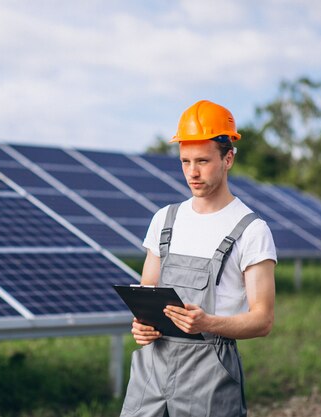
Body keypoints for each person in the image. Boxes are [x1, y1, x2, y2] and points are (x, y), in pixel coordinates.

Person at [120, 100, 277, 417]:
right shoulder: (165, 219)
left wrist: (208, 323)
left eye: (203, 161)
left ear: (228, 158)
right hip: (151, 370)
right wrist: (141, 327)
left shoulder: (251, 231)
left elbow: (263, 320)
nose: (192, 172)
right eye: (185, 161)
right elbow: (147, 291)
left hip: (210, 374)